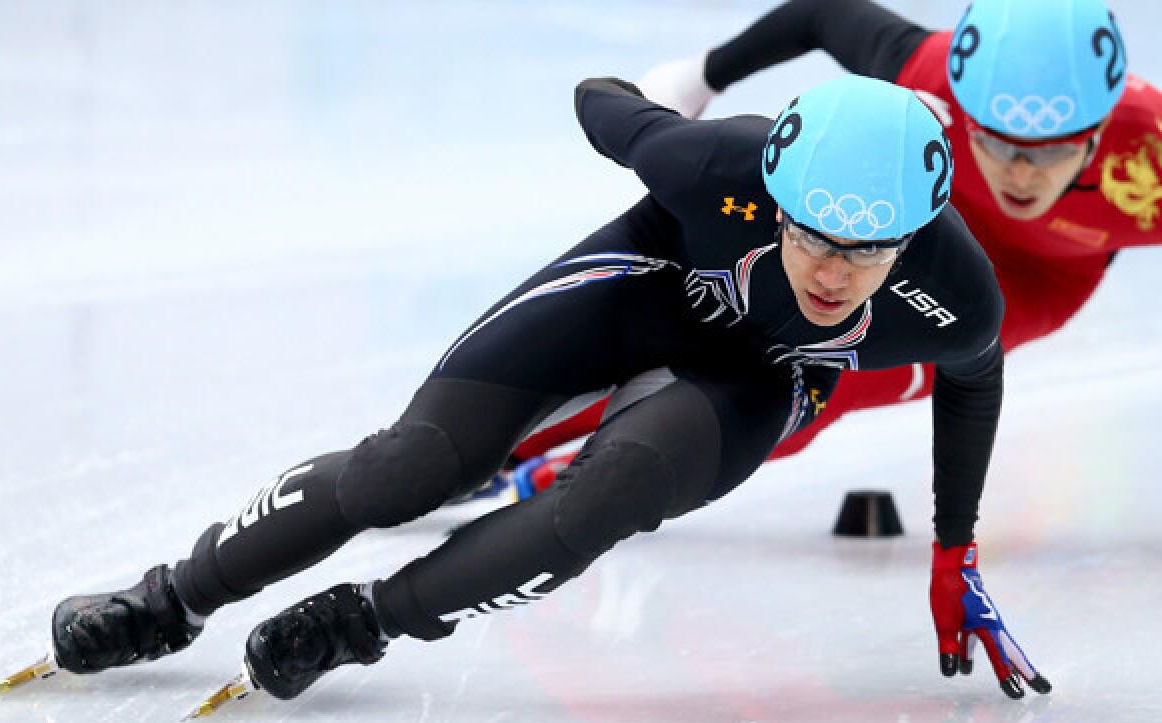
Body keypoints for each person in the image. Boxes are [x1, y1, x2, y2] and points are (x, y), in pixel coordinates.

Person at [43, 73, 1049, 707]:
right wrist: (669, 94)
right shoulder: (712, 165)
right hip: (642, 281)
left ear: (910, 238)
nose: (833, 273)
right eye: (813, 237)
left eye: (867, 253)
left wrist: (953, 546)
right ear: (775, 199)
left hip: (759, 374)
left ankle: (366, 620)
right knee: (412, 468)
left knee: (610, 491)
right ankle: (168, 596)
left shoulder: (954, 293)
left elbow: (973, 380)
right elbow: (598, 100)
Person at [492, 0, 1162, 493]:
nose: (1018, 172)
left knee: (815, 385)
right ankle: (505, 442)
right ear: (960, 100)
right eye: (993, 139)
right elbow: (822, 14)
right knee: (704, 318)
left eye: (1049, 151)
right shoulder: (929, 73)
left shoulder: (1153, 159)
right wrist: (703, 75)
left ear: (1102, 132)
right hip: (894, 234)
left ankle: (588, 478)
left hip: (1033, 279)